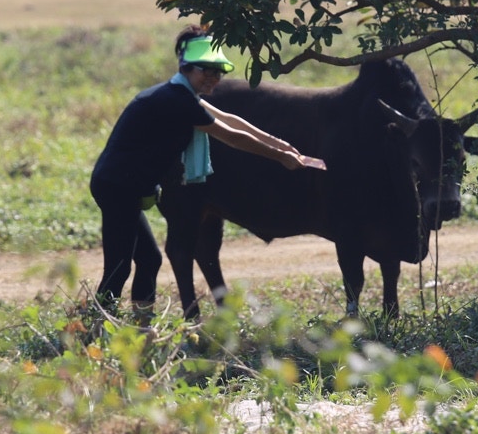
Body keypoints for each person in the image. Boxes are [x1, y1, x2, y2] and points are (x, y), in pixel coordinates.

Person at [90, 25, 324, 315]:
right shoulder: (176, 100)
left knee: (149, 259)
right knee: (119, 266)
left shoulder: (182, 95)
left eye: (218, 72)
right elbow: (230, 136)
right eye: (206, 70)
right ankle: (94, 327)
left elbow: (231, 119)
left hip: (129, 185)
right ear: (186, 68)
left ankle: (142, 328)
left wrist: (280, 144)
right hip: (117, 186)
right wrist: (278, 157)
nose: (214, 78)